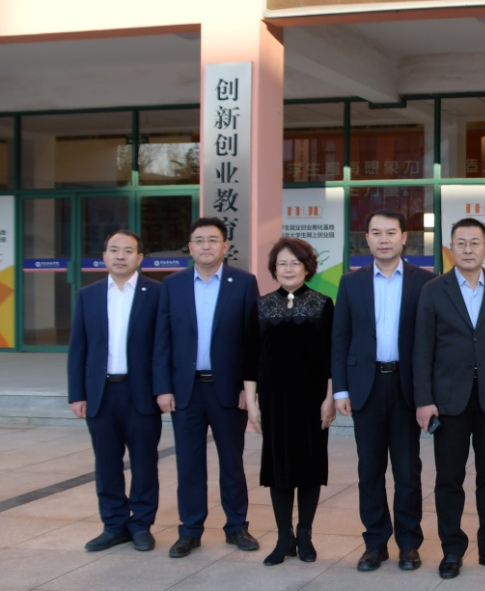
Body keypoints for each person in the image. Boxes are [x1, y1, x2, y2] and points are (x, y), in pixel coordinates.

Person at [414, 218, 485, 579]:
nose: (468, 249)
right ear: (450, 249)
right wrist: (424, 399)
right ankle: (452, 549)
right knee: (449, 477)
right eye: (460, 243)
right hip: (449, 400)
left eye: (475, 243)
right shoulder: (434, 290)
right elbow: (422, 349)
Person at [331, 210, 436, 572]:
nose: (384, 239)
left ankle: (408, 543)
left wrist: (428, 394)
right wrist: (340, 390)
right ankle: (375, 543)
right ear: (367, 239)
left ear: (404, 238)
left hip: (406, 386)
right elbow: (340, 338)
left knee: (408, 471)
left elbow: (431, 342)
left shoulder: (426, 282)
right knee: (370, 470)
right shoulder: (351, 283)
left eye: (391, 232)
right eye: (376, 233)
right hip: (366, 386)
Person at [154, 216, 261, 558]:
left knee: (232, 462)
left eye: (213, 240)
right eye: (199, 240)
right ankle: (189, 530)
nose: (206, 246)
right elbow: (163, 341)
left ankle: (237, 526)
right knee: (189, 465)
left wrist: (249, 388)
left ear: (224, 246)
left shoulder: (243, 282)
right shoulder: (172, 285)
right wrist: (163, 387)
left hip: (228, 390)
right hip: (186, 390)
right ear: (190, 246)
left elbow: (252, 340)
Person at [67, 230, 162, 553]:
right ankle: (113, 524)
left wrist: (163, 389)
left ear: (140, 257)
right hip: (101, 393)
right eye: (114, 250)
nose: (120, 256)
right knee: (106, 462)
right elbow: (78, 348)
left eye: (128, 250)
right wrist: (77, 393)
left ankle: (141, 524)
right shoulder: (88, 295)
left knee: (145, 462)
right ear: (104, 256)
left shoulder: (156, 293)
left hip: (141, 393)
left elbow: (163, 346)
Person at [244, 237, 335, 566]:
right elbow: (250, 358)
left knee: (310, 467)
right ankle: (284, 538)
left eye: (295, 263)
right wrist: (252, 403)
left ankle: (305, 535)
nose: (288, 269)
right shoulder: (262, 305)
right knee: (278, 467)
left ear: (307, 267)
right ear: (274, 269)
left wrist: (330, 398)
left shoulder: (323, 304)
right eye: (282, 263)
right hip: (274, 400)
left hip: (312, 400)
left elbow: (332, 356)